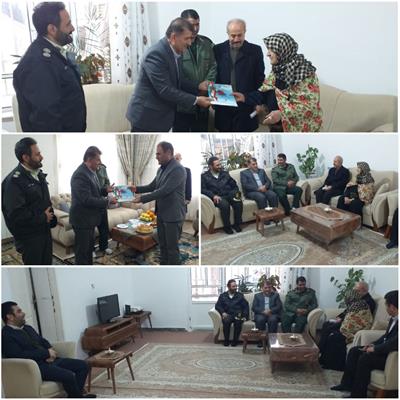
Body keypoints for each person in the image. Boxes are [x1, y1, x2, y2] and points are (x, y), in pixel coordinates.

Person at [126, 18, 211, 132]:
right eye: (187, 38)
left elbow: (179, 79)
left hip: (162, 116)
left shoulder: (177, 51)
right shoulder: (156, 54)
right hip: (146, 117)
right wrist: (196, 100)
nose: (190, 43)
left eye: (191, 39)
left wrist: (198, 86)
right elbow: (165, 90)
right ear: (174, 37)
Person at [13, 2, 86, 132]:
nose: (72, 28)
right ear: (52, 29)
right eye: (68, 24)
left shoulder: (52, 53)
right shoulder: (38, 63)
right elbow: (46, 118)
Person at [2, 301, 96, 398]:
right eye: (19, 311)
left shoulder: (27, 328)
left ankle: (76, 396)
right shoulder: (6, 335)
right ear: (10, 317)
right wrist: (46, 353)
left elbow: (42, 340)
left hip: (50, 360)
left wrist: (50, 350)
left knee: (83, 365)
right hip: (36, 366)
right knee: (69, 375)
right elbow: (19, 355)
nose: (23, 313)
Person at [234, 32, 322, 132]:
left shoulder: (305, 74)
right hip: (276, 127)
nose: (267, 54)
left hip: (298, 131)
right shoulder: (278, 69)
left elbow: (310, 107)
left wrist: (281, 114)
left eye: (271, 50)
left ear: (282, 51)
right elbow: (265, 92)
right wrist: (244, 97)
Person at [331, 290, 398, 398]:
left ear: (392, 307)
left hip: (391, 357)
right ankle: (346, 384)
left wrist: (375, 349)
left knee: (365, 358)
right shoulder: (393, 318)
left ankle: (358, 395)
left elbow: (395, 342)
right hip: (383, 350)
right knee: (354, 351)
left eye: (386, 305)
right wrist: (372, 344)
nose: (386, 308)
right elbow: (386, 336)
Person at [1, 137, 57, 265]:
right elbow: (16, 215)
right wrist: (43, 217)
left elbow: (43, 201)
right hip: (29, 238)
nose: (42, 157)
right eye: (37, 154)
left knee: (47, 266)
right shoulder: (13, 182)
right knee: (35, 270)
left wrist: (50, 218)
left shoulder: (38, 174)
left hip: (44, 231)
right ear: (25, 157)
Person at [131, 142, 186, 265]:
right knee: (162, 245)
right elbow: (152, 186)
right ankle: (164, 267)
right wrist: (136, 189)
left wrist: (142, 198)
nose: (156, 157)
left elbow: (164, 190)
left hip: (173, 214)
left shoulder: (178, 169)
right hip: (161, 213)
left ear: (169, 153)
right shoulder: (161, 169)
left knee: (172, 248)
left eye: (158, 154)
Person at [213, 19, 265, 132]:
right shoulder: (217, 50)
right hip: (223, 109)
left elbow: (260, 80)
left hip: (246, 107)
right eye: (233, 36)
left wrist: (258, 102)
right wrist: (214, 103)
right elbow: (213, 76)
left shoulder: (255, 51)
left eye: (240, 35)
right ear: (227, 34)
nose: (236, 39)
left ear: (245, 32)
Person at [70, 147, 116, 265]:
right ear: (89, 159)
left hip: (89, 220)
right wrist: (108, 201)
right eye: (98, 160)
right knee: (82, 254)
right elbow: (86, 199)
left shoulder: (91, 172)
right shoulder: (80, 175)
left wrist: (105, 190)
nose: (99, 163)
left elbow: (95, 191)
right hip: (82, 220)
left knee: (88, 251)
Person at [173, 9, 217, 132]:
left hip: (203, 104)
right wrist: (197, 87)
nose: (196, 28)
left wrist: (208, 83)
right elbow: (176, 75)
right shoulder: (174, 45)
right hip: (182, 105)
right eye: (192, 25)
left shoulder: (207, 43)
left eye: (198, 24)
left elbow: (213, 66)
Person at [319, 281, 375, 366]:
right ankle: (321, 352)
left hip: (353, 325)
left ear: (363, 290)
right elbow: (348, 310)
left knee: (330, 330)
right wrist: (339, 317)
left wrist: (342, 320)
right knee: (326, 324)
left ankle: (321, 352)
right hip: (346, 320)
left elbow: (359, 317)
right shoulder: (357, 298)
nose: (354, 292)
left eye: (356, 290)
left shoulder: (369, 301)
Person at [201, 156, 243, 234]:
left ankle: (237, 224)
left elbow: (234, 185)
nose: (220, 166)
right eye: (217, 165)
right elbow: (203, 190)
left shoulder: (225, 173)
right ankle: (227, 227)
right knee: (225, 205)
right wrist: (213, 196)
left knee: (238, 201)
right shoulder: (204, 177)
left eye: (220, 164)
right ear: (210, 166)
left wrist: (236, 194)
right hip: (218, 197)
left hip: (229, 194)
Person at [215, 279, 249, 347]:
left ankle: (235, 341)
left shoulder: (240, 295)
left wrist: (245, 316)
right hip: (228, 314)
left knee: (238, 322)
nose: (235, 288)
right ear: (228, 287)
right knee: (226, 321)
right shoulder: (223, 296)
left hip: (238, 314)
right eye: (233, 286)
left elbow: (245, 306)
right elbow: (218, 306)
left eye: (236, 286)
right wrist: (223, 312)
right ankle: (226, 340)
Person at [94, 163, 113, 257]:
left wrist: (107, 188)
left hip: (102, 201)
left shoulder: (103, 168)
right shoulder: (88, 171)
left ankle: (104, 247)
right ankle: (91, 249)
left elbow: (106, 182)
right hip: (92, 204)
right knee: (91, 230)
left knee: (104, 227)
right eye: (97, 159)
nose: (99, 161)